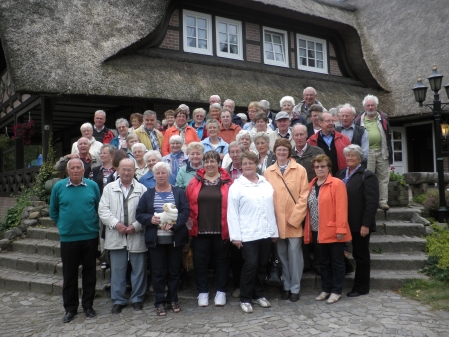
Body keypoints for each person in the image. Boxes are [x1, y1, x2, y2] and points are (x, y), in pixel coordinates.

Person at [49, 158, 100, 323]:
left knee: (90, 273)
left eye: (79, 167)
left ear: (84, 171)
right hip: (69, 238)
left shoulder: (92, 186)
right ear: (68, 171)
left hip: (90, 236)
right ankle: (70, 308)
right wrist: (64, 226)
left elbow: (98, 207)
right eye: (73, 168)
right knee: (69, 274)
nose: (76, 170)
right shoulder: (58, 187)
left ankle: (88, 306)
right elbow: (54, 211)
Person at [136, 162, 190, 316]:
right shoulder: (148, 194)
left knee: (174, 272)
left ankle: (173, 299)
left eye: (163, 173)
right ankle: (159, 301)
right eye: (157, 173)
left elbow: (185, 211)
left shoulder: (178, 192)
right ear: (153, 175)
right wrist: (150, 219)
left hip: (175, 239)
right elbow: (139, 213)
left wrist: (173, 224)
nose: (160, 176)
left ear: (168, 175)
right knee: (158, 272)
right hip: (156, 240)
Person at [227, 151, 279, 313]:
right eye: (245, 163)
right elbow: (232, 212)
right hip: (247, 233)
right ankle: (245, 298)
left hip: (265, 232)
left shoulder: (265, 183)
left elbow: (271, 209)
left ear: (256, 164)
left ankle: (259, 294)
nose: (248, 166)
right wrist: (235, 236)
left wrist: (274, 231)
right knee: (250, 265)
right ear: (241, 166)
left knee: (262, 265)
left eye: (251, 163)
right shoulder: (236, 186)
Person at [98, 159, 148, 314]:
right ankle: (118, 300)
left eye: (129, 170)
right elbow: (103, 210)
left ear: (134, 171)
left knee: (139, 269)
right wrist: (116, 224)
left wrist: (136, 226)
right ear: (118, 170)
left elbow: (147, 211)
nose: (126, 173)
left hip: (136, 234)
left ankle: (137, 298)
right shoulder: (109, 188)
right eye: (123, 169)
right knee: (118, 269)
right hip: (116, 234)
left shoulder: (142, 189)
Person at [186, 151, 232, 307]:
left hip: (222, 229)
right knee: (200, 263)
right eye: (207, 162)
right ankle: (203, 292)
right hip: (200, 230)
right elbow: (188, 204)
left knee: (222, 262)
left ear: (218, 163)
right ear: (203, 164)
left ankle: (221, 291)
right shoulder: (195, 181)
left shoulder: (227, 181)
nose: (210, 164)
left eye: (213, 161)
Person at [264, 139, 308, 302]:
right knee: (282, 256)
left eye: (284, 150)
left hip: (293, 220)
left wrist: (295, 217)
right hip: (276, 221)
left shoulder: (300, 169)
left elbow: (304, 196)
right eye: (278, 149)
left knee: (295, 256)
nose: (281, 152)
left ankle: (295, 288)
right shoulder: (268, 171)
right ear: (275, 152)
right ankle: (287, 286)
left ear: (289, 152)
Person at [304, 154, 351, 304]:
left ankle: (336, 291)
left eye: (323, 166)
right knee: (323, 262)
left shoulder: (337, 184)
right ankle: (325, 289)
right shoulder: (311, 184)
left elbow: (341, 208)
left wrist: (341, 229)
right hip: (317, 230)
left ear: (329, 167)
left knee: (337, 262)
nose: (319, 169)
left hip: (334, 230)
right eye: (317, 167)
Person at [336, 145, 379, 297]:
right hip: (343, 222)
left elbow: (372, 202)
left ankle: (361, 287)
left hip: (359, 224)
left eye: (353, 156)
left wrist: (366, 224)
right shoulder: (341, 173)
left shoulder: (367, 175)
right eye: (347, 156)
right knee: (341, 252)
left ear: (360, 158)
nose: (350, 158)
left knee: (361, 256)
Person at [290, 124, 325, 273]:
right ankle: (304, 263)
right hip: (296, 199)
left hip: (315, 195)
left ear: (306, 136)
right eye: (296, 135)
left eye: (301, 135)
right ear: (292, 136)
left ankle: (318, 263)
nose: (298, 138)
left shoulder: (316, 151)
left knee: (316, 231)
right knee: (301, 230)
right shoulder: (289, 154)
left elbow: (325, 170)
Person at [354, 94, 393, 210]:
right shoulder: (358, 120)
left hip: (382, 151)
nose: (370, 107)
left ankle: (383, 202)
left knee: (384, 178)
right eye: (368, 105)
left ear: (376, 106)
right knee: (368, 178)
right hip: (367, 152)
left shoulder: (383, 118)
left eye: (372, 105)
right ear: (364, 107)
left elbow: (388, 136)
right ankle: (369, 201)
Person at [223, 141, 245, 298]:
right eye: (233, 152)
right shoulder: (224, 172)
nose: (235, 154)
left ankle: (250, 285)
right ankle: (237, 285)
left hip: (248, 216)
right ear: (229, 154)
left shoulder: (251, 168)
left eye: (238, 151)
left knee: (249, 255)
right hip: (231, 217)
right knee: (236, 255)